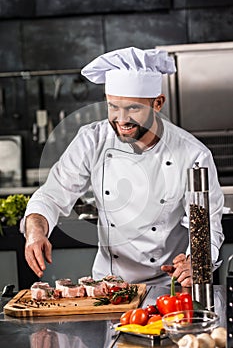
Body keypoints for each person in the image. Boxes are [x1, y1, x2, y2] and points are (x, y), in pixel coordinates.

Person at [22, 47, 224, 287]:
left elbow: (206, 226)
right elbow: (51, 197)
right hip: (109, 287)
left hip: (170, 286)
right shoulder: (92, 140)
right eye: (113, 107)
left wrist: (196, 262)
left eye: (133, 108)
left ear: (158, 103)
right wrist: (35, 230)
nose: (121, 119)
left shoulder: (193, 154)